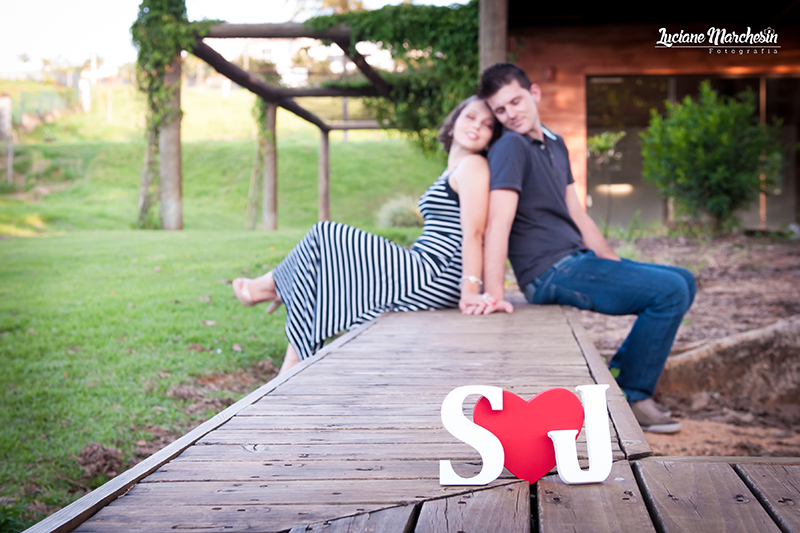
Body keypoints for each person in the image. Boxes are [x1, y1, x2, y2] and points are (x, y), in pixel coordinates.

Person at [477, 63, 695, 434]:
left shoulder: (556, 142)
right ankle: (634, 394)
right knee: (671, 291)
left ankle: (620, 375)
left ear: (534, 93)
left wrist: (615, 264)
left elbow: (577, 213)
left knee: (682, 279)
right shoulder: (510, 147)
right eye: (500, 110)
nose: (510, 113)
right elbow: (498, 222)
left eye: (515, 101)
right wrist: (494, 293)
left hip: (577, 260)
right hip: (547, 272)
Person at [232, 96, 513, 375]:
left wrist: (470, 291)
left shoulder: (474, 166)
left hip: (434, 273)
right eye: (471, 116)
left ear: (490, 138)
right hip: (424, 265)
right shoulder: (454, 169)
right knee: (324, 269)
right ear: (454, 123)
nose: (477, 125)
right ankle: (292, 361)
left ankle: (267, 288)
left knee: (326, 235)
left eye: (488, 124)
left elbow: (475, 233)